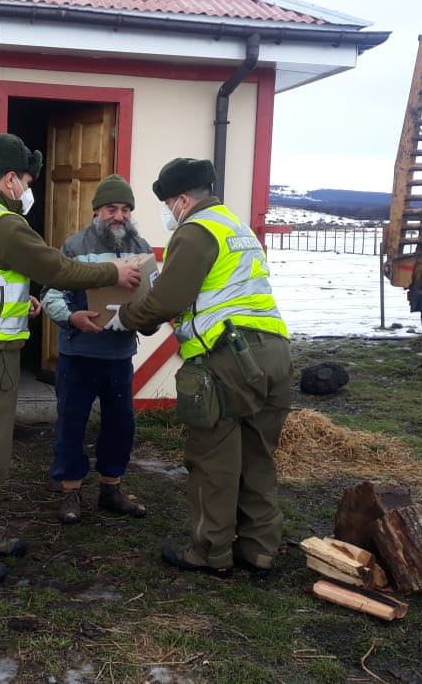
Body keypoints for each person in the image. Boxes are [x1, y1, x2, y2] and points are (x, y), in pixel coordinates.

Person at [0, 133, 142, 584]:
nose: (29, 189)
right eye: (28, 179)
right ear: (10, 178)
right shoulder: (3, 223)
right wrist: (113, 271)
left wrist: (17, 302)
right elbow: (56, 268)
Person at [111, 158, 292, 578]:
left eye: (168, 202)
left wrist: (124, 318)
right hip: (275, 352)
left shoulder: (195, 232)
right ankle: (261, 549)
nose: (168, 211)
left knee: (213, 458)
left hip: (228, 358)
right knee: (258, 457)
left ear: (182, 199)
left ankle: (211, 552)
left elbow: (166, 300)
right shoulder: (236, 227)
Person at [40, 174, 153, 525]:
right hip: (78, 354)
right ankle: (70, 492)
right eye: (110, 209)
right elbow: (50, 294)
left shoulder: (141, 247)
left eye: (124, 209)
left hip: (120, 355)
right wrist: (72, 318)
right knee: (71, 423)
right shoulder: (74, 246)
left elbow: (152, 293)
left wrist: (150, 317)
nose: (118, 216)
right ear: (96, 212)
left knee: (121, 425)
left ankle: (111, 490)